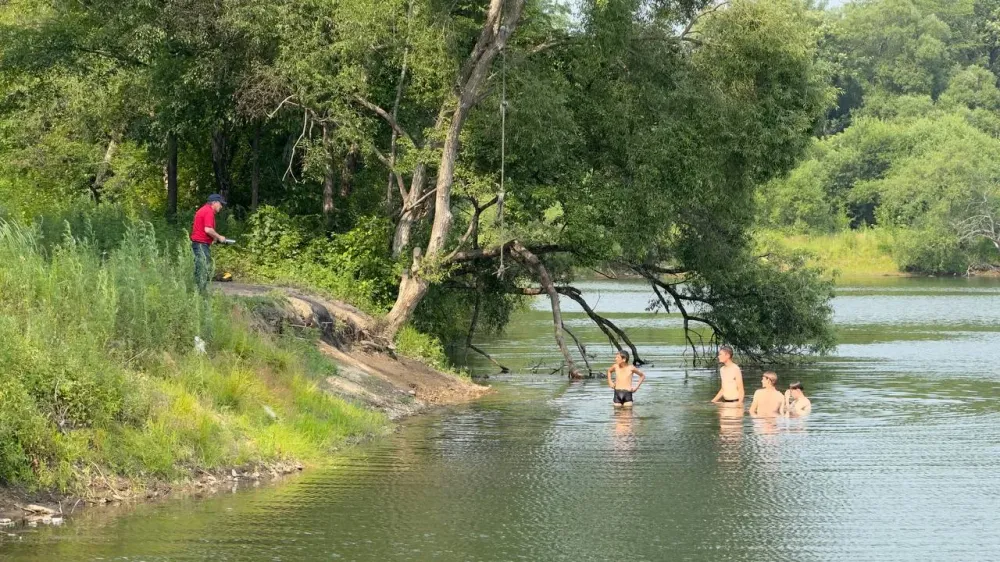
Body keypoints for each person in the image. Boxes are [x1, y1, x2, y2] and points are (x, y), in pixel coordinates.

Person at [190, 194, 229, 292]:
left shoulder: (204, 210)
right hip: (200, 245)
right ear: (214, 203)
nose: (221, 206)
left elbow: (204, 230)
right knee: (202, 269)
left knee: (200, 268)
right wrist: (219, 237)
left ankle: (198, 292)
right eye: (220, 204)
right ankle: (200, 293)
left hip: (199, 244)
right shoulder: (208, 211)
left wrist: (214, 238)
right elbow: (207, 229)